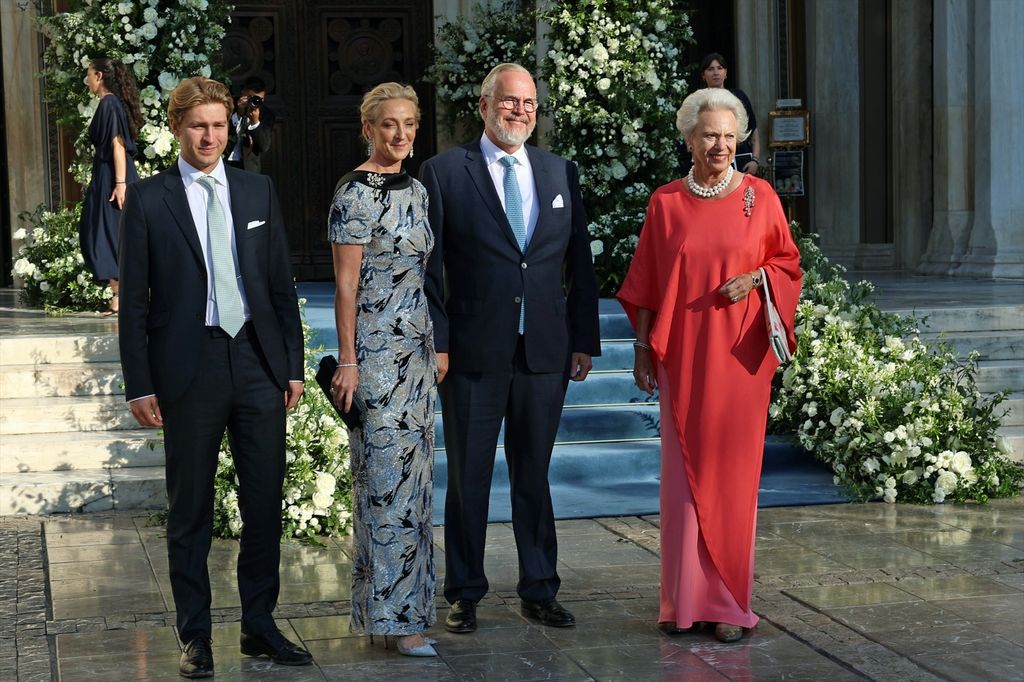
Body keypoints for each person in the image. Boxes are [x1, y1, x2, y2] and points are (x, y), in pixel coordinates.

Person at [118, 77, 311, 678]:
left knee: (263, 503)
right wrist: (139, 383)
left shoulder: (257, 191)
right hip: (189, 368)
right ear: (177, 128)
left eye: (219, 126)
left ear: (231, 130)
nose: (209, 136)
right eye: (198, 125)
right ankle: (194, 636)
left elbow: (280, 287)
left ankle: (259, 626)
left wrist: (293, 365)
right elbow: (135, 305)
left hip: (256, 363)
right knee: (191, 509)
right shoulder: (150, 200)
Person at [421, 63, 601, 634]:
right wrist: (439, 342)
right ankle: (464, 592)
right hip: (472, 353)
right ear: (483, 105)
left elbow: (579, 263)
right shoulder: (444, 172)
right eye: (508, 102)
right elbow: (427, 270)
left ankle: (540, 588)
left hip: (544, 351)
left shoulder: (559, 172)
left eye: (527, 103)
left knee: (535, 475)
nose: (519, 111)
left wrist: (583, 338)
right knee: (469, 477)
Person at [617, 88, 801, 644]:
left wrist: (757, 278)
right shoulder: (666, 202)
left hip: (740, 361)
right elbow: (646, 280)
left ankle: (728, 603)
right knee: (681, 483)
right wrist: (643, 348)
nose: (720, 144)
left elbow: (788, 262)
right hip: (683, 357)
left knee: (732, 480)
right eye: (709, 135)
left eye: (729, 135)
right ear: (689, 138)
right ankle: (683, 604)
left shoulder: (760, 196)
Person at [327, 82, 439, 657]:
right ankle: (401, 621)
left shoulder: (417, 191)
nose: (401, 135)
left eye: (410, 125)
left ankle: (396, 614)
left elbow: (424, 276)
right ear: (368, 128)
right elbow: (346, 285)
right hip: (374, 358)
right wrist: (347, 360)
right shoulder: (353, 193)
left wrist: (435, 345)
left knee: (414, 492)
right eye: (389, 125)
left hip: (417, 358)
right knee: (384, 489)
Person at [80, 57, 143, 313]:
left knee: (110, 233)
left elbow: (117, 144)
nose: (87, 80)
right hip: (107, 173)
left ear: (100, 77)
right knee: (105, 232)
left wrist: (120, 183)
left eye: (89, 75)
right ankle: (118, 298)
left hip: (114, 176)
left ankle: (124, 298)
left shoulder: (109, 104)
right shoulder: (110, 104)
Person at [699, 53, 761, 175]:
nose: (716, 72)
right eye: (710, 69)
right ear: (703, 75)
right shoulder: (698, 101)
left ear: (725, 73)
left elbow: (754, 132)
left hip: (743, 162)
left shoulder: (739, 97)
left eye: (719, 68)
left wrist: (755, 160)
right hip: (712, 162)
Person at [226, 76, 276, 173]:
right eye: (251, 98)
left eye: (259, 99)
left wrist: (255, 123)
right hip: (225, 162)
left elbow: (264, 146)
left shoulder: (267, 115)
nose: (255, 102)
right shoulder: (230, 106)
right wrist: (238, 114)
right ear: (243, 93)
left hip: (249, 167)